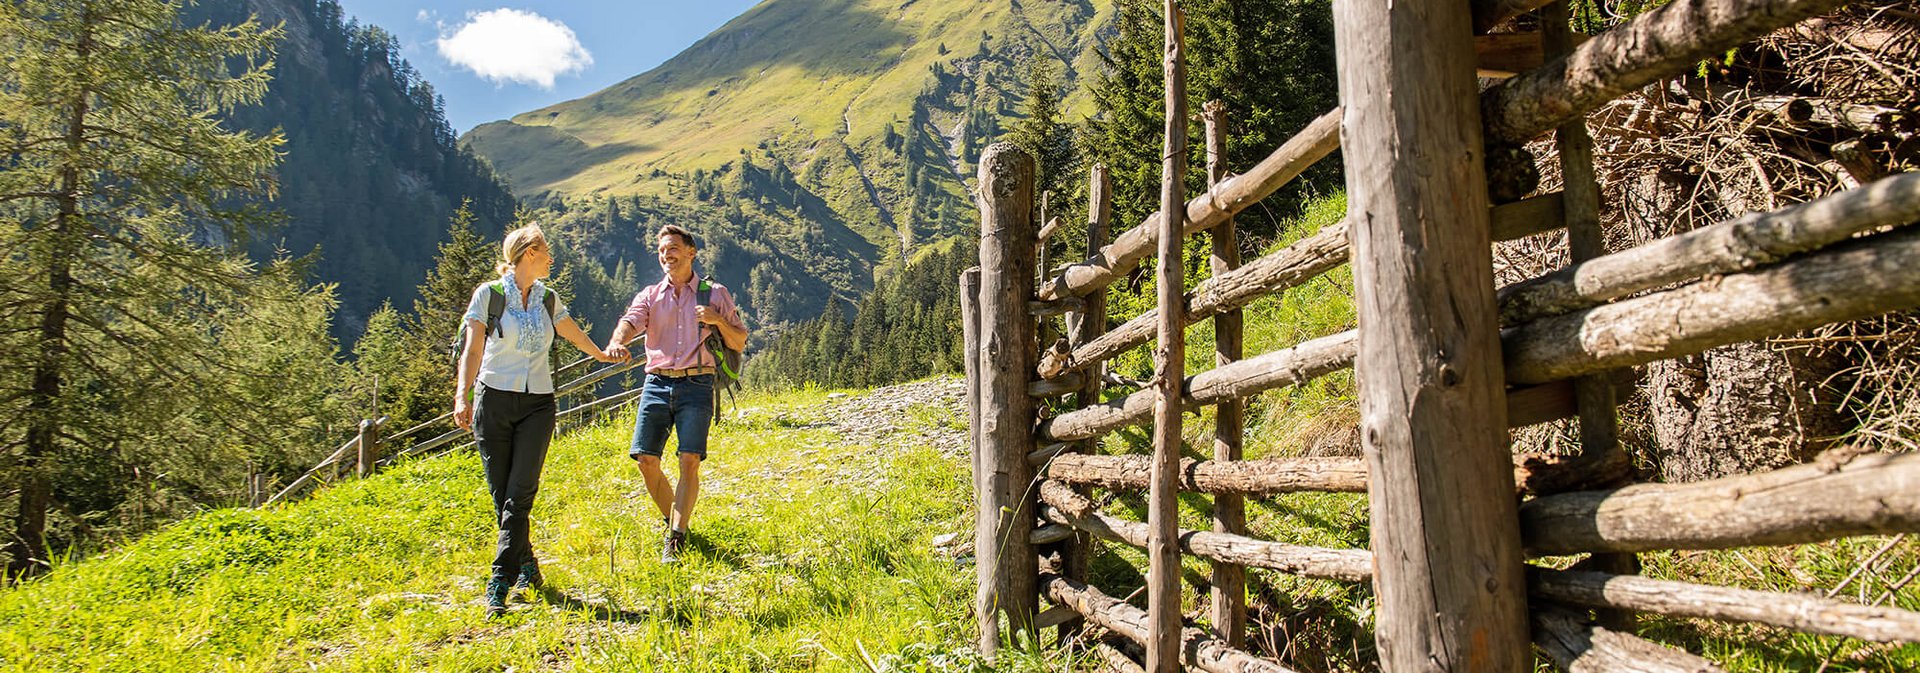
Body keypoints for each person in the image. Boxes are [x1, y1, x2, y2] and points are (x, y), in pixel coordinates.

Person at [454, 223, 624, 617]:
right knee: (503, 496)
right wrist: (461, 395)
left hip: (538, 405)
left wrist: (600, 354)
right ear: (528, 253)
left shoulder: (548, 299)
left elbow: (572, 333)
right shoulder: (489, 296)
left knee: (520, 492)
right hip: (493, 400)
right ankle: (528, 566)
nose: (551, 258)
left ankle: (500, 579)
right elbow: (472, 351)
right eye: (546, 251)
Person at [605, 225, 748, 563]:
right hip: (656, 382)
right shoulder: (651, 295)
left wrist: (717, 320)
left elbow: (739, 340)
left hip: (697, 382)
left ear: (690, 253)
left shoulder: (715, 294)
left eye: (672, 248)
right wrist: (616, 341)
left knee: (689, 460)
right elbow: (630, 320)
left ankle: (677, 538)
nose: (666, 255)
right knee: (646, 461)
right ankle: (675, 522)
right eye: (662, 250)